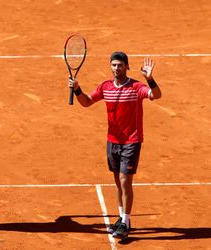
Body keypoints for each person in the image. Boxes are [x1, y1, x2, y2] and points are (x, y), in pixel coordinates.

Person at [69, 52, 162, 239]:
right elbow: (86, 102)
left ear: (127, 67)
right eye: (113, 65)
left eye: (120, 65)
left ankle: (125, 222)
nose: (116, 68)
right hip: (112, 141)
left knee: (125, 180)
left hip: (132, 141)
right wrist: (78, 89)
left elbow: (156, 95)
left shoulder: (136, 87)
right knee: (119, 183)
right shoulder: (106, 87)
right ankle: (122, 219)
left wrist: (150, 78)